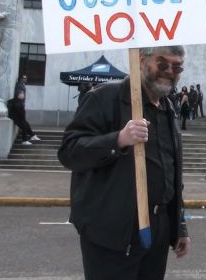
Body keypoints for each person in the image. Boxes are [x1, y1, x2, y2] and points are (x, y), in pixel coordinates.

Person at [58, 46, 191, 280]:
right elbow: (70, 152)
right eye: (162, 63)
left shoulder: (168, 108)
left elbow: (172, 174)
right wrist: (119, 139)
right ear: (141, 60)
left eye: (177, 66)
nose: (170, 71)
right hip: (112, 232)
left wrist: (179, 225)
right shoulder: (103, 98)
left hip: (156, 232)